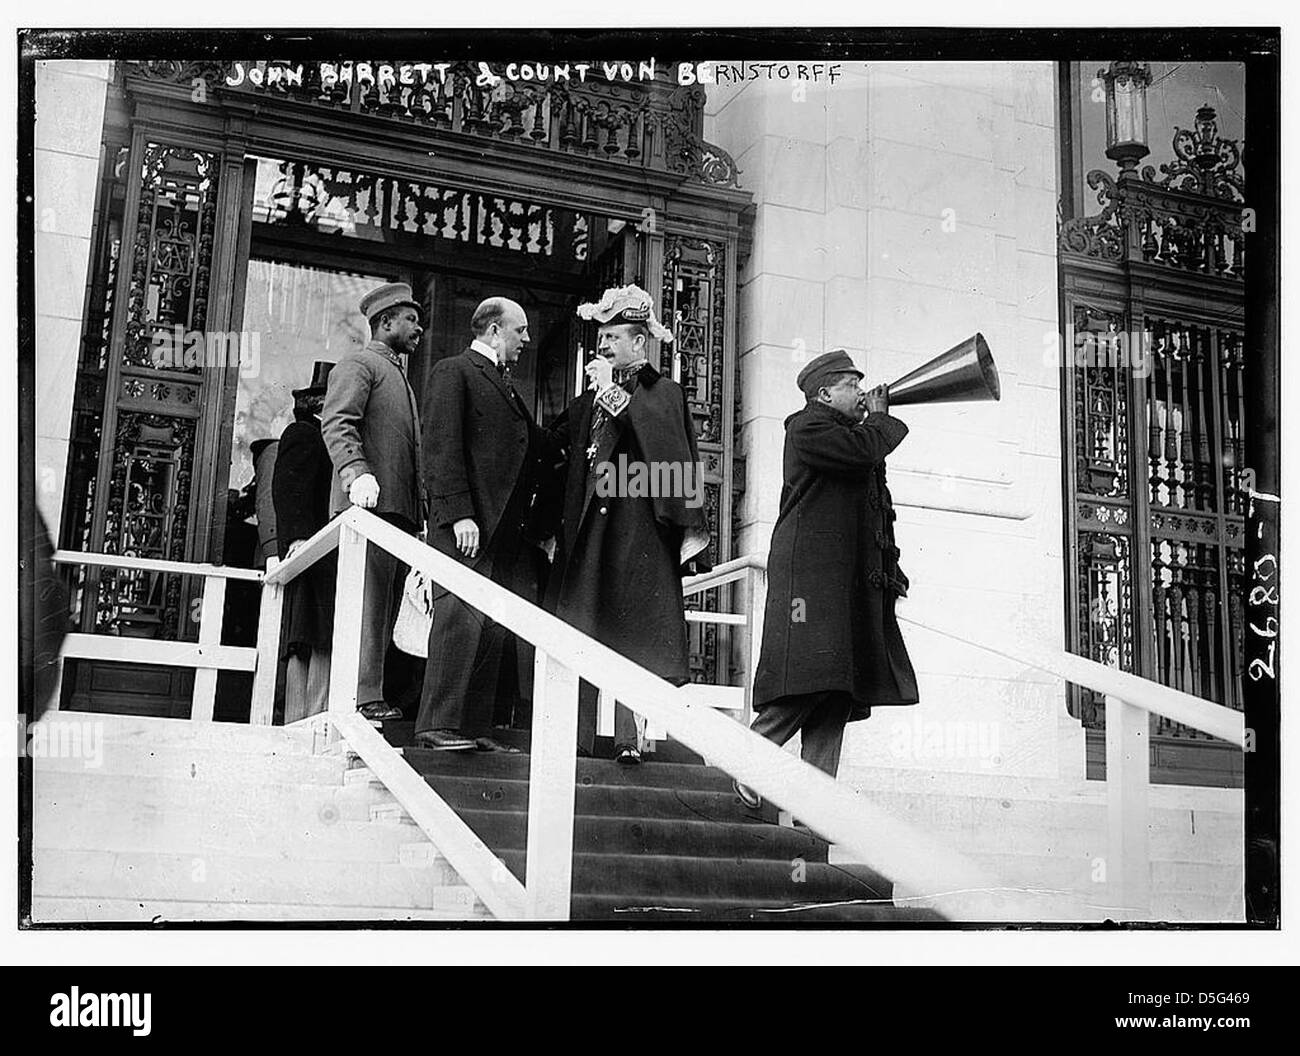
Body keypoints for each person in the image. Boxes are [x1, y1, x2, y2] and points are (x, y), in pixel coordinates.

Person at [736, 349, 918, 807]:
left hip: (840, 581)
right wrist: (880, 418)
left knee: (838, 690)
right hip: (811, 581)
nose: (862, 392)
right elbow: (862, 451)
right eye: (851, 386)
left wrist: (889, 572)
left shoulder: (845, 434)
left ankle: (817, 809)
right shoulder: (807, 427)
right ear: (824, 394)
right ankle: (745, 760)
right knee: (809, 678)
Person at [540, 284, 710, 764]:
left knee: (630, 635)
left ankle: (627, 739)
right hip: (589, 532)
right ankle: (574, 739)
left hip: (637, 534)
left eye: (613, 337)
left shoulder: (664, 392)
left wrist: (612, 393)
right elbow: (557, 450)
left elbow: (664, 450)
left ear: (639, 342)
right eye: (602, 338)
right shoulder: (590, 398)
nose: (604, 345)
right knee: (581, 630)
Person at [414, 297, 544, 753]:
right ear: (493, 330)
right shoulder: (454, 371)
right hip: (467, 526)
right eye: (519, 330)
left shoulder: (506, 384)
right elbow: (440, 447)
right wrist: (458, 514)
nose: (526, 339)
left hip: (502, 532)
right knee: (458, 620)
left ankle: (473, 728)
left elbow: (536, 444)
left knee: (490, 627)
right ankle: (436, 725)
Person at [321, 282, 426, 722]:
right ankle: (361, 697)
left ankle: (370, 695)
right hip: (368, 511)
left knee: (384, 610)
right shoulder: (360, 364)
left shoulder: (398, 375)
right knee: (367, 606)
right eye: (411, 319)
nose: (418, 328)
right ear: (385, 322)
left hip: (396, 515)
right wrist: (354, 471)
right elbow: (337, 422)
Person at [273, 361, 336, 724]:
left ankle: (310, 717)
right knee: (308, 637)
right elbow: (288, 489)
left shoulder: (327, 437)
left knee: (319, 633)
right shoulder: (304, 433)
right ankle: (301, 719)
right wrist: (297, 539)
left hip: (325, 556)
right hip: (312, 554)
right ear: (321, 404)